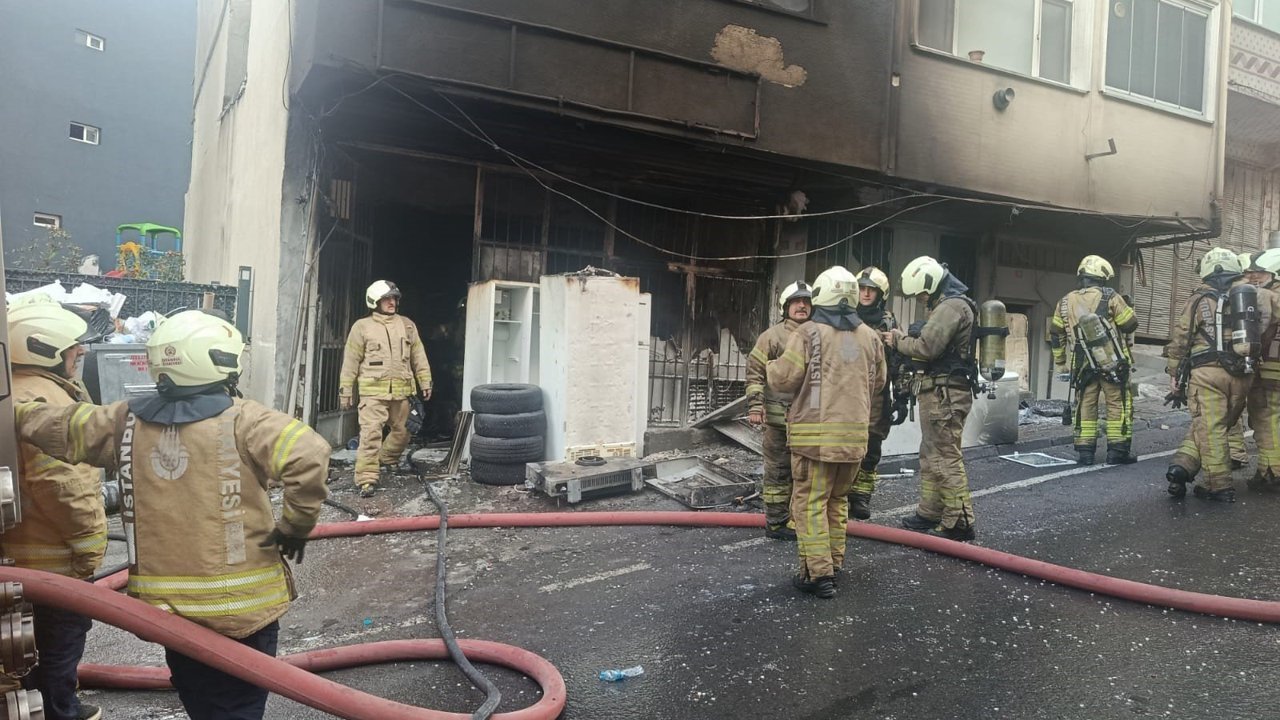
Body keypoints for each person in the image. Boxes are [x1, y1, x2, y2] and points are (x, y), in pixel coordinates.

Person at [16, 310, 330, 720]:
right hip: (243, 611)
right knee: (237, 705)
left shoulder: (123, 421)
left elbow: (58, 425)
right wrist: (295, 525)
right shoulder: (246, 420)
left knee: (198, 697)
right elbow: (310, 453)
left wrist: (13, 411)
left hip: (171, 613)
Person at [5, 300, 106, 720]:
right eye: (72, 347)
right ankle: (59, 710)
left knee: (19, 645)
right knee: (61, 637)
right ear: (43, 348)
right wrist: (90, 544)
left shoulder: (10, 389)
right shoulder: (47, 399)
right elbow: (63, 483)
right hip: (51, 559)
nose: (80, 352)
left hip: (14, 555)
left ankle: (29, 705)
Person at [768, 266, 886, 599]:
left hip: (815, 442)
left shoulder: (808, 333)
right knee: (837, 502)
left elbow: (784, 380)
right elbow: (878, 383)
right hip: (855, 441)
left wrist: (769, 366)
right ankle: (833, 564)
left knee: (810, 505)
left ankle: (818, 575)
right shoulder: (870, 337)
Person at [1164, 248, 1272, 502]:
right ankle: (1182, 465)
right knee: (1218, 424)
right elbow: (1266, 325)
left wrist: (1174, 373)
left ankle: (1218, 486)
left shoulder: (1198, 299)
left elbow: (1181, 340)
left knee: (1211, 427)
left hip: (1207, 375)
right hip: (1243, 373)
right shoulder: (1254, 295)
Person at [883, 256, 979, 541]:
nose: (922, 299)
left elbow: (927, 348)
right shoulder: (950, 304)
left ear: (932, 284)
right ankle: (930, 511)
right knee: (930, 454)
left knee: (945, 456)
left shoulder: (951, 307)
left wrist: (898, 340)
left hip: (944, 394)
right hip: (940, 393)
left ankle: (960, 521)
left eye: (922, 294)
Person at [339, 280, 433, 497]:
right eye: (387, 299)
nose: (392, 303)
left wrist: (425, 381)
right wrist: (345, 390)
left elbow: (418, 356)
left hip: (402, 392)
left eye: (394, 299)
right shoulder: (362, 327)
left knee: (405, 430)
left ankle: (388, 458)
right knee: (370, 435)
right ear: (374, 301)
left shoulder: (407, 325)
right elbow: (351, 361)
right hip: (373, 394)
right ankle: (366, 479)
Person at [1049, 255, 1140, 465]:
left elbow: (1056, 334)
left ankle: (1085, 453)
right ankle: (1117, 452)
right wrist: (1127, 306)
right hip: (1112, 364)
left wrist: (1060, 361)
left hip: (1082, 365)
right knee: (1117, 404)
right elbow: (1130, 324)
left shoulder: (1064, 302)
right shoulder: (1111, 296)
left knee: (1085, 405)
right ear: (1102, 277)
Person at [745, 281, 812, 540]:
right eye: (796, 302)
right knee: (778, 471)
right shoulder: (771, 337)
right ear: (786, 306)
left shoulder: (819, 334)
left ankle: (800, 520)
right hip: (778, 421)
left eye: (806, 302)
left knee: (805, 473)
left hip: (808, 420)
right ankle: (775, 523)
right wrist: (755, 405)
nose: (802, 306)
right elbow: (754, 372)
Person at [848, 267, 899, 520]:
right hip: (847, 390)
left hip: (877, 393)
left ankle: (860, 496)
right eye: (862, 289)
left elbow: (897, 361)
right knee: (844, 442)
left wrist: (901, 396)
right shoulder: (846, 317)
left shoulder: (888, 322)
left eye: (871, 290)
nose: (866, 294)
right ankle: (841, 492)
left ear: (881, 294)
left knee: (871, 446)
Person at [1245, 249, 1280, 491]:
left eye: (1260, 273)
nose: (1254, 277)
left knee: (1266, 418)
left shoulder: (1268, 296)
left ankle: (1272, 473)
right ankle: (1265, 469)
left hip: (1270, 369)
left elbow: (1259, 331)